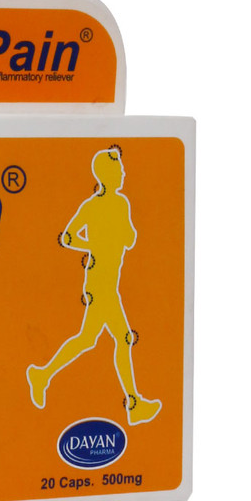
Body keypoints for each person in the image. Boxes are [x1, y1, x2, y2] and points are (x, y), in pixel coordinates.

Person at [26, 147, 161, 426]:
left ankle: (42, 375)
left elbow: (128, 239)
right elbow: (68, 237)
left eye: (122, 169)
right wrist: (94, 246)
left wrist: (102, 242)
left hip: (107, 280)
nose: (123, 173)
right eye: (119, 170)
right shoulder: (98, 206)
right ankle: (133, 404)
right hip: (100, 282)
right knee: (122, 338)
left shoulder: (118, 204)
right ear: (107, 175)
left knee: (89, 339)